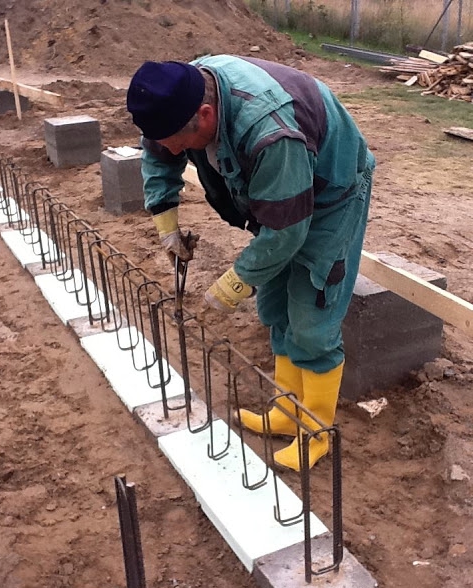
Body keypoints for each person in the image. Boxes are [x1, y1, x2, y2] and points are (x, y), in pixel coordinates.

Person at [126, 54, 375, 473]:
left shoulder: (270, 132)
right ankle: (287, 411)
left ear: (206, 115)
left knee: (312, 314)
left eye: (178, 141)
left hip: (332, 191)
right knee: (275, 305)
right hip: (280, 192)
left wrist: (235, 281)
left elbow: (287, 232)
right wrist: (166, 223)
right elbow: (158, 154)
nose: (173, 150)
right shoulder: (175, 96)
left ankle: (315, 431)